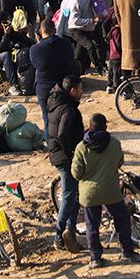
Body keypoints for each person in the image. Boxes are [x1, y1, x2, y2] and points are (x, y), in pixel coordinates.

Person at [71, 113, 140, 269]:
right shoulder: (114, 143)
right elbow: (120, 162)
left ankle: (95, 258)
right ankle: (127, 251)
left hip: (89, 195)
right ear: (106, 127)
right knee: (123, 218)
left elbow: (76, 173)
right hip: (111, 192)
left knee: (92, 226)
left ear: (89, 128)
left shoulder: (81, 147)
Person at [47, 76, 84, 252]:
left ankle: (70, 232)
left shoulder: (55, 102)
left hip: (56, 153)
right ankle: (59, 236)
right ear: (72, 91)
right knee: (69, 196)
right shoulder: (68, 109)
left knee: (74, 195)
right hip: (64, 157)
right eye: (80, 89)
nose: (82, 92)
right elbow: (62, 134)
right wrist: (70, 152)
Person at [29, 18, 74, 142]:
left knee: (47, 119)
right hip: (64, 87)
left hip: (44, 89)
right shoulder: (66, 43)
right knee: (66, 117)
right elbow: (71, 59)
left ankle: (52, 147)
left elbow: (35, 65)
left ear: (40, 31)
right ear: (55, 30)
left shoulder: (35, 49)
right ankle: (67, 145)